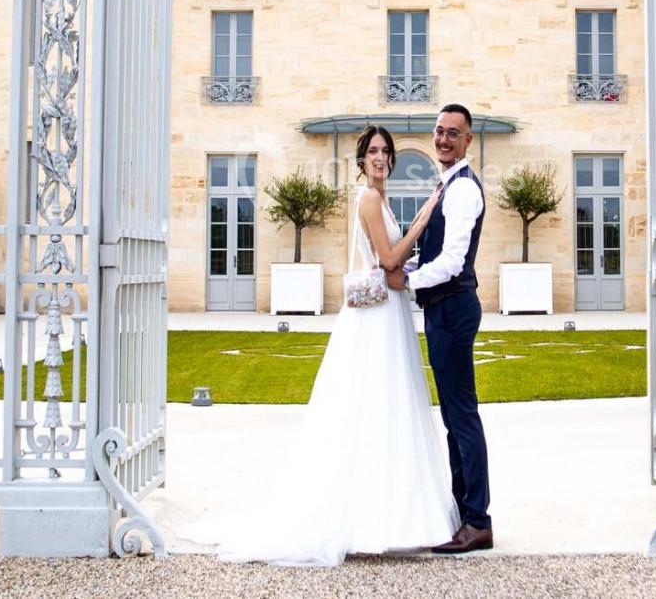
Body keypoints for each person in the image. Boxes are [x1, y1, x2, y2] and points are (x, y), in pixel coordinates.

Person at [193, 124, 457, 566]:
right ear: (360, 161)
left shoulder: (381, 198)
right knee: (372, 405)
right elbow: (388, 260)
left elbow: (388, 258)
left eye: (385, 151)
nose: (380, 157)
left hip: (388, 310)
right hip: (376, 315)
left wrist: (407, 245)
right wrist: (425, 217)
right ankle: (372, 518)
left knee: (386, 406)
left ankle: (390, 515)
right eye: (373, 151)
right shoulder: (369, 198)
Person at [388, 103, 493, 554]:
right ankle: (462, 510)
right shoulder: (447, 185)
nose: (444, 139)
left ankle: (477, 520)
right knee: (454, 416)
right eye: (439, 131)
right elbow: (434, 254)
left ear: (468, 140)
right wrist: (403, 265)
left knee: (461, 415)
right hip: (444, 308)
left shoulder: (464, 190)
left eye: (454, 133)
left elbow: (451, 262)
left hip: (453, 308)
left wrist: (408, 278)